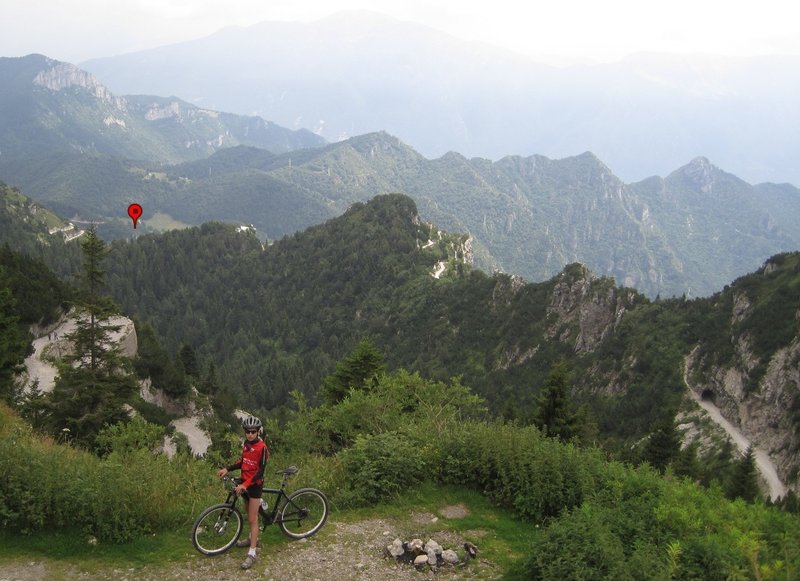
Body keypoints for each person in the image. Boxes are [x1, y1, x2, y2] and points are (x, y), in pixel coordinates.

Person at [217, 415, 270, 570]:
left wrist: (246, 484)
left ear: (258, 431)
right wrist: (228, 468)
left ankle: (252, 554)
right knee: (250, 516)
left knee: (253, 520)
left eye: (253, 431)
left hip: (254, 486)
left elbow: (260, 473)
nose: (250, 434)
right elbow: (243, 462)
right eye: (247, 431)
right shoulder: (247, 444)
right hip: (245, 484)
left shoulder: (263, 448)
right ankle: (251, 538)